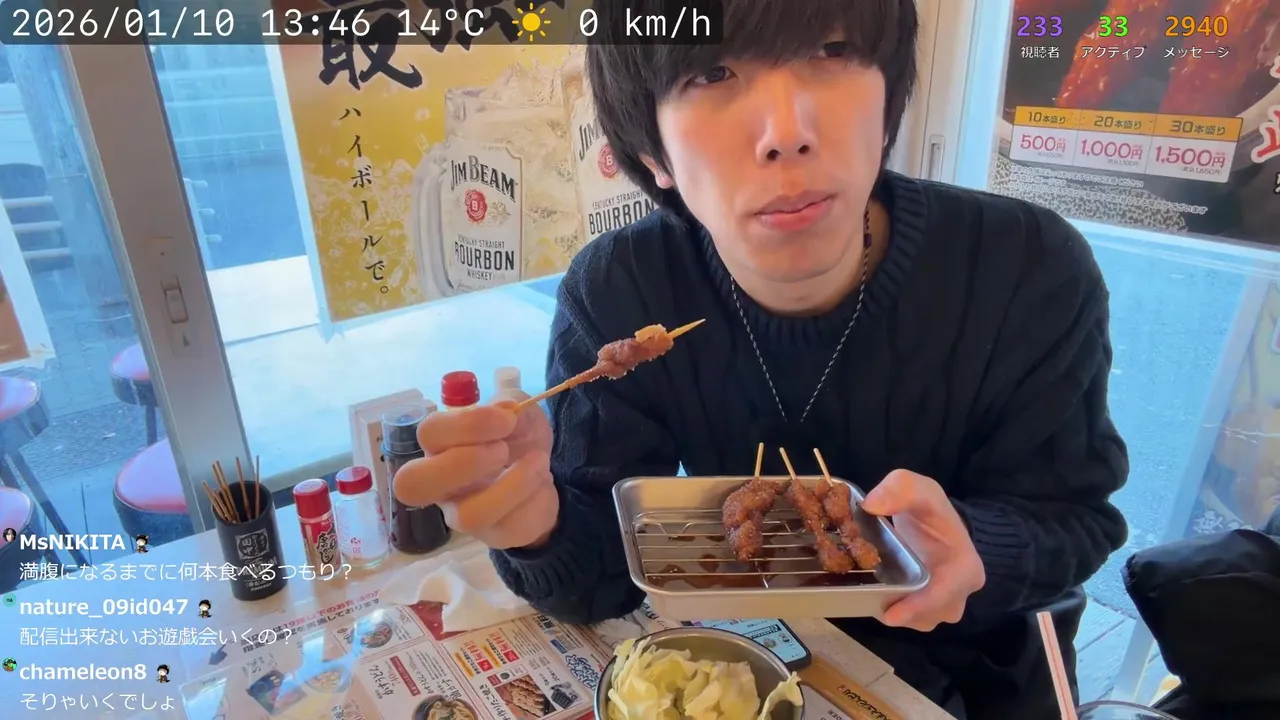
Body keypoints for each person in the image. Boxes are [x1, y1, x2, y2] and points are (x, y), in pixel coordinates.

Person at [395, 1, 1129, 716]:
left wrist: (978, 546)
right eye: (712, 73)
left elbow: (1074, 520)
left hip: (977, 667)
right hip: (757, 659)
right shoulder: (620, 289)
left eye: (833, 50)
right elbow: (602, 580)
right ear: (650, 153)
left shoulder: (1026, 266)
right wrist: (537, 528)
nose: (786, 133)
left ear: (888, 102)